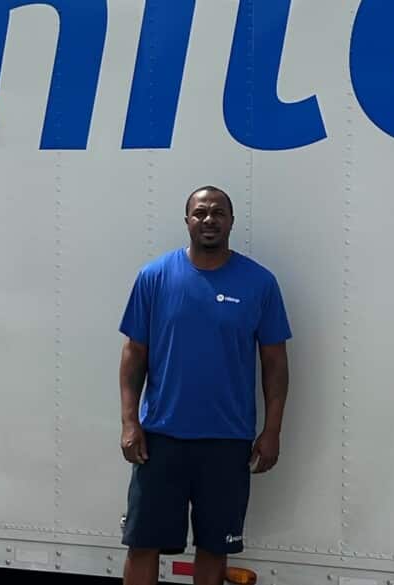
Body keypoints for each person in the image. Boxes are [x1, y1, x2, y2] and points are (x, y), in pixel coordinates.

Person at [117, 185, 292, 585]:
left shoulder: (259, 283)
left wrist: (273, 430)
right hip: (160, 440)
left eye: (217, 213)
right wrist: (130, 422)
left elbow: (275, 363)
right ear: (187, 221)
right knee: (143, 544)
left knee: (214, 548)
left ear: (231, 221)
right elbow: (133, 356)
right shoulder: (155, 277)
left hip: (227, 442)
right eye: (199, 213)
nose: (208, 220)